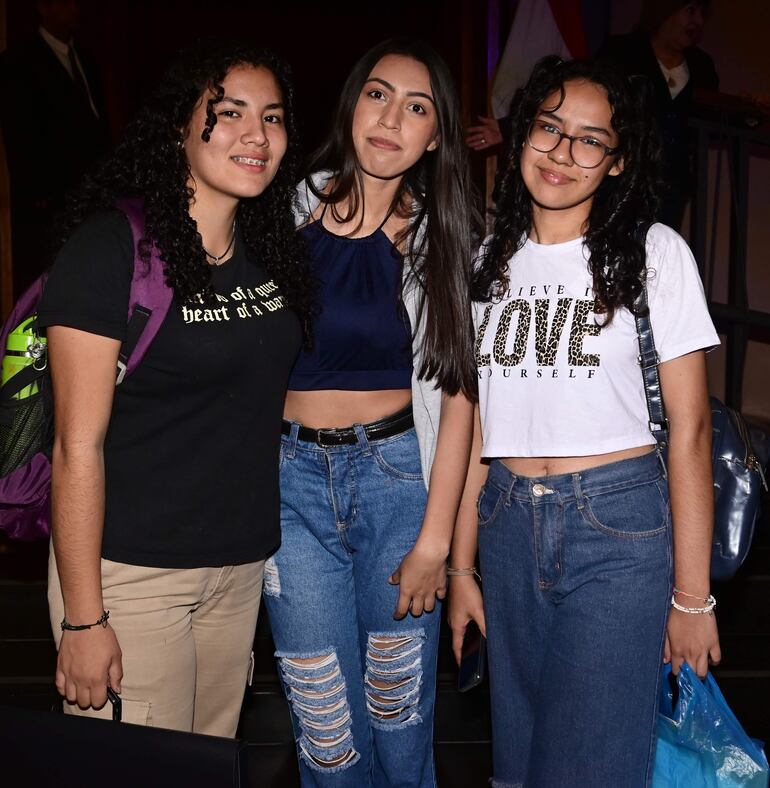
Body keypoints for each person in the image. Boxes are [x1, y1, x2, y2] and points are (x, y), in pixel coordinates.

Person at [449, 56, 721, 787]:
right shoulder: (488, 258)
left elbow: (691, 431)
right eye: (549, 128)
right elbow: (481, 428)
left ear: (617, 161)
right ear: (522, 134)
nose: (563, 153)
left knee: (589, 768)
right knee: (520, 764)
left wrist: (692, 598)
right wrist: (460, 564)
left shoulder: (653, 252)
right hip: (506, 522)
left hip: (617, 529)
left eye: (590, 140)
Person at [38, 43, 314, 735]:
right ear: (177, 129)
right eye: (230, 113)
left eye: (273, 117)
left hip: (238, 569)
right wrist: (83, 616)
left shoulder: (271, 249)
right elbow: (76, 447)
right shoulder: (111, 250)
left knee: (209, 764)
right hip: (130, 574)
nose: (256, 134)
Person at [262, 38, 481, 787]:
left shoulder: (445, 241)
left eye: (416, 107)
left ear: (436, 135)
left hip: (397, 487)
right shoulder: (280, 211)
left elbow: (461, 407)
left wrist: (440, 545)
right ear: (352, 103)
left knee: (399, 719)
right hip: (287, 490)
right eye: (378, 95)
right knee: (324, 729)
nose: (391, 118)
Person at [0, 0, 109, 296]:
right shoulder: (19, 61)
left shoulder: (85, 57)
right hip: (49, 200)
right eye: (64, 2)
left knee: (89, 274)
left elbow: (97, 123)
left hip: (91, 193)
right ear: (43, 7)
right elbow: (19, 131)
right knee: (49, 282)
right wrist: (38, 193)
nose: (73, 8)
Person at [598, 0, 718, 228]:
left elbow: (712, 124)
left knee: (655, 253)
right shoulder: (621, 50)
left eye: (703, 13)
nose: (699, 21)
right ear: (665, 9)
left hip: (670, 187)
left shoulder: (702, 66)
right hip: (617, 178)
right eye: (691, 10)